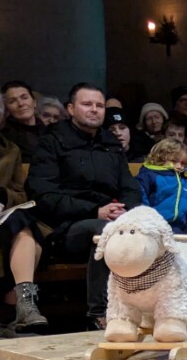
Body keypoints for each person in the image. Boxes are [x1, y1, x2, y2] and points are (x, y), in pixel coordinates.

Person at [26, 83, 143, 330]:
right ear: (71, 109)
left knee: (148, 228)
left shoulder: (111, 144)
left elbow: (130, 187)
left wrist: (125, 210)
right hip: (66, 227)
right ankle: (99, 313)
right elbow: (45, 195)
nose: (94, 110)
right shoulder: (52, 142)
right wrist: (94, 211)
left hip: (114, 218)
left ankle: (148, 308)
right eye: (87, 104)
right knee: (105, 231)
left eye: (99, 105)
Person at [0, 134, 47, 332]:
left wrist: (3, 198)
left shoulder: (10, 149)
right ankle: (14, 310)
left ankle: (20, 308)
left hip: (4, 218)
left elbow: (20, 194)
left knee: (23, 223)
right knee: (32, 242)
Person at [137, 138, 187, 234]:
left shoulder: (185, 181)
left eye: (183, 163)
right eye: (174, 161)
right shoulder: (149, 176)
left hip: (179, 227)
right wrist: (148, 224)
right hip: (152, 227)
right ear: (160, 158)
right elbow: (141, 202)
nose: (179, 166)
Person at [1, 80, 46, 162]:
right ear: (6, 109)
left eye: (24, 98)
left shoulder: (50, 132)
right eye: (12, 101)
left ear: (34, 102)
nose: (21, 104)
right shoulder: (4, 139)